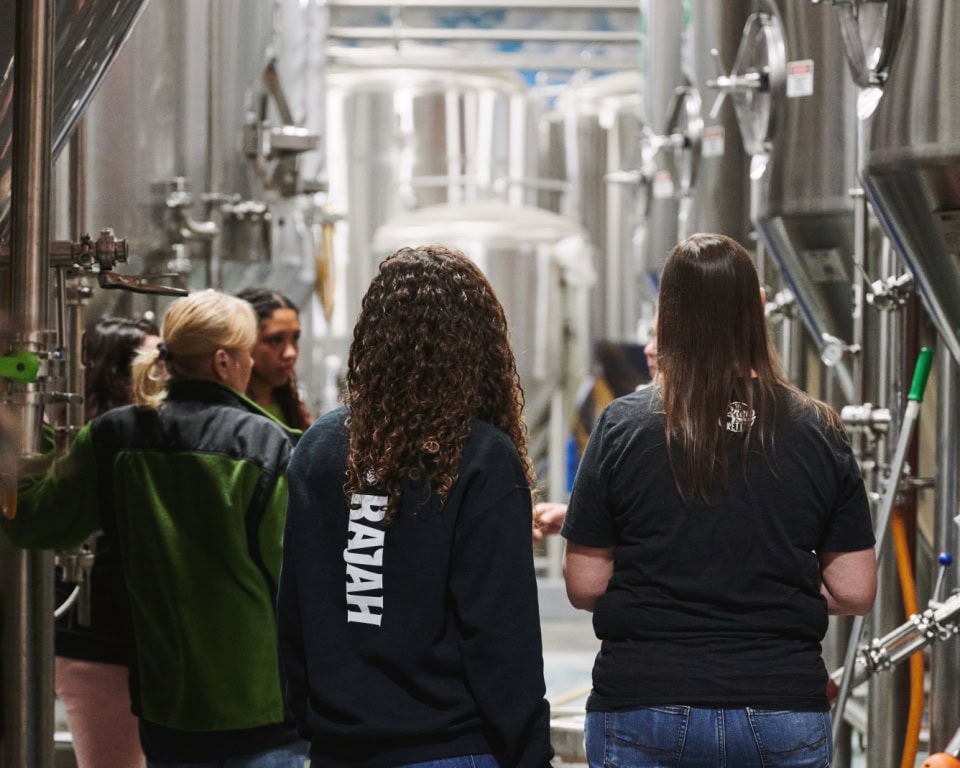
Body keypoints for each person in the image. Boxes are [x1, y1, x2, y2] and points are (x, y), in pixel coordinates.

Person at [561, 233, 877, 768]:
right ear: (755, 312)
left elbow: (584, 583)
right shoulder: (817, 429)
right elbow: (856, 588)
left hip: (645, 703)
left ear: (668, 317)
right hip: (780, 707)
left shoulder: (621, 425)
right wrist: (767, 586)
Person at [3, 289, 308, 767]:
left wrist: (28, 420)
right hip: (259, 704)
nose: (251, 364)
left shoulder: (113, 436)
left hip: (167, 706)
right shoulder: (267, 443)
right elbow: (296, 579)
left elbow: (34, 524)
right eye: (247, 353)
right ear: (224, 362)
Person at [277, 244, 554, 768]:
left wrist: (311, 722)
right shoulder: (478, 456)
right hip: (450, 746)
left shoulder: (318, 448)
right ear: (477, 345)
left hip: (340, 750)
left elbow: (293, 606)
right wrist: (530, 754)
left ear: (374, 337)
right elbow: (501, 634)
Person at [54, 316, 159, 768]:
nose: (164, 373)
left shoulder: (145, 440)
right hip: (97, 638)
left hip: (138, 638)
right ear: (116, 372)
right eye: (153, 361)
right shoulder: (94, 445)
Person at [235, 287, 312, 430]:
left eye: (295, 338)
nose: (290, 353)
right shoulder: (232, 415)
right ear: (245, 341)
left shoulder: (294, 411)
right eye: (275, 340)